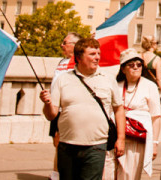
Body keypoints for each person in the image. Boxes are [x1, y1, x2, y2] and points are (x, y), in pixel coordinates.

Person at [40, 37, 126, 180]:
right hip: (67, 146)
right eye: (92, 54)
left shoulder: (108, 79)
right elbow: (51, 115)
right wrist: (47, 103)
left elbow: (119, 109)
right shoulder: (63, 79)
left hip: (96, 146)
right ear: (79, 57)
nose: (97, 57)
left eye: (98, 53)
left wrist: (121, 139)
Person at [115, 49, 161, 180]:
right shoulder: (116, 86)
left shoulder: (150, 86)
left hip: (136, 140)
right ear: (123, 69)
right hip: (115, 138)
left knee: (129, 176)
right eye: (131, 65)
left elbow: (156, 117)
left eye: (139, 64)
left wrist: (154, 144)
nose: (136, 67)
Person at [50, 33, 81, 180]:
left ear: (74, 45)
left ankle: (59, 174)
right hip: (55, 108)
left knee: (62, 142)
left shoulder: (78, 64)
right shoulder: (62, 62)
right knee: (57, 142)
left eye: (65, 42)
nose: (62, 45)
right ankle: (57, 172)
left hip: (67, 109)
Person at [140, 36, 161, 108]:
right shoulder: (156, 59)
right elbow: (159, 78)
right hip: (151, 89)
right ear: (153, 44)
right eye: (156, 43)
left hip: (139, 87)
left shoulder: (139, 56)